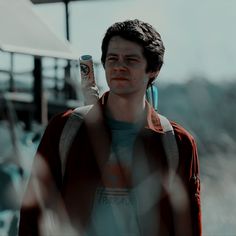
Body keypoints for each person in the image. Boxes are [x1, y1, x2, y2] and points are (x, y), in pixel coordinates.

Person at [19, 19, 202, 236]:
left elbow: (188, 225)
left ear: (153, 69)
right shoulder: (66, 129)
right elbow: (33, 215)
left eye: (131, 60)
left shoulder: (176, 143)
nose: (119, 66)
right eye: (112, 58)